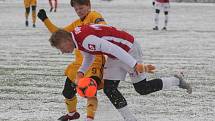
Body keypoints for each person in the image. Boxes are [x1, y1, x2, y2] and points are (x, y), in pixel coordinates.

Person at [48, 24, 192, 121]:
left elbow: (112, 49)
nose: (62, 51)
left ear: (66, 40)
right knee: (109, 88)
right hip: (116, 55)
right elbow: (89, 55)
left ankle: (176, 80)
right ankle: (130, 119)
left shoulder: (84, 39)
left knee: (142, 88)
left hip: (128, 50)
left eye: (61, 47)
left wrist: (135, 65)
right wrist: (81, 72)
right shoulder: (77, 37)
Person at [37, 0, 107, 121]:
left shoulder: (94, 15)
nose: (79, 11)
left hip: (95, 62)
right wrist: (45, 20)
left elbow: (102, 25)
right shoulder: (76, 24)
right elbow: (59, 34)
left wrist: (100, 26)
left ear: (88, 6)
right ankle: (72, 114)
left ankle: (90, 118)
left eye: (81, 8)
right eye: (76, 9)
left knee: (90, 91)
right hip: (78, 65)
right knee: (67, 92)